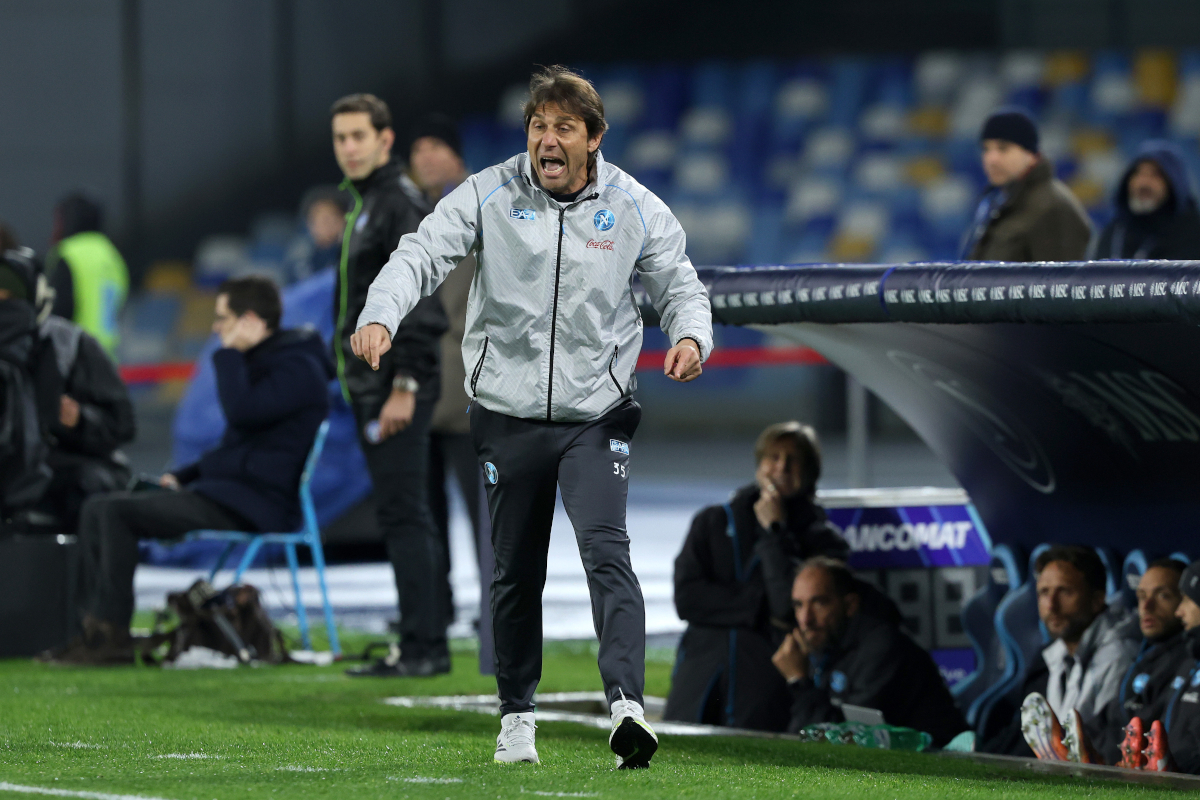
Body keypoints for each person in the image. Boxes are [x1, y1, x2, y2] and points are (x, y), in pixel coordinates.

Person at [351, 66, 712, 768]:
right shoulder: (488, 193)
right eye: (538, 126)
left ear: (594, 139)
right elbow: (421, 253)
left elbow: (679, 279)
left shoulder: (634, 206)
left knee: (608, 554)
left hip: (595, 416)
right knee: (515, 574)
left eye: (563, 128)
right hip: (506, 417)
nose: (547, 140)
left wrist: (692, 334)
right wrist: (380, 312)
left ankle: (628, 707)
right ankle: (517, 717)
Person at [47, 277, 331, 664]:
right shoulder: (274, 362)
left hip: (255, 504)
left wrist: (227, 355)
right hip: (230, 493)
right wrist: (184, 476)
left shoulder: (298, 369)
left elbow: (242, 412)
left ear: (249, 320)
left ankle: (110, 638)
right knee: (99, 506)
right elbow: (238, 444)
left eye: (223, 319)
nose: (217, 329)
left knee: (112, 512)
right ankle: (92, 631)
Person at [328, 93, 452, 679]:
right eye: (340, 138)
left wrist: (405, 383)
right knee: (406, 513)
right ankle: (420, 641)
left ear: (384, 140)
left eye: (359, 136)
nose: (348, 147)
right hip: (374, 386)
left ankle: (425, 647)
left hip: (396, 385)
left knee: (406, 516)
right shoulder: (369, 204)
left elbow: (424, 305)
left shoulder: (396, 205)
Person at [665, 422, 852, 731]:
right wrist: (756, 606)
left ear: (810, 472)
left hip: (767, 691)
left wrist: (773, 533)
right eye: (773, 457)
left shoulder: (825, 542)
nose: (782, 466)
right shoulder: (712, 521)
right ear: (759, 465)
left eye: (794, 460)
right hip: (699, 682)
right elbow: (688, 601)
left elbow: (784, 607)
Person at [404, 113, 486, 627]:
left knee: (487, 513)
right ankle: (434, 607)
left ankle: (500, 613)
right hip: (418, 383)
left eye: (436, 146)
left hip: (469, 385)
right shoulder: (409, 215)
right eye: (418, 150)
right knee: (424, 509)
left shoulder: (484, 206)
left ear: (456, 155)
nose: (425, 157)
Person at [770, 556, 966, 747]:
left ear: (850, 605)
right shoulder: (826, 645)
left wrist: (799, 681)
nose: (805, 619)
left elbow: (849, 740)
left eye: (819, 603)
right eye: (798, 605)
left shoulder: (883, 648)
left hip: (939, 766)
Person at [983, 545, 1138, 757]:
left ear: (1097, 599)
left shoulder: (1120, 655)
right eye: (1044, 592)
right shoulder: (1049, 654)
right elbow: (1023, 734)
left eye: (1065, 591)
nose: (1051, 605)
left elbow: (1102, 741)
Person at [1083, 559, 1191, 765]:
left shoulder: (1187, 662)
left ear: (1185, 601)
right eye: (1141, 596)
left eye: (1163, 596)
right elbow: (1109, 719)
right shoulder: (1144, 656)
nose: (1147, 606)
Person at [961, 108, 1092, 262]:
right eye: (986, 149)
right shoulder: (997, 200)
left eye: (1003, 148)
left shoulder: (1052, 206)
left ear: (1031, 155)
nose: (991, 159)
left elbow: (1059, 282)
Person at [45, 193, 129, 359]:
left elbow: (60, 310)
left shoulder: (69, 252)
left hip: (76, 357)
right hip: (108, 357)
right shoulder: (112, 255)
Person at [1091, 141, 1200, 260]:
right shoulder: (1116, 233)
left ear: (1174, 184)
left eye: (1155, 175)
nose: (1144, 183)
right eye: (1138, 173)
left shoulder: (1193, 234)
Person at [283, 187, 348, 284]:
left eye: (331, 218)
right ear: (309, 225)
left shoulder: (353, 255)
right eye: (320, 220)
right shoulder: (300, 263)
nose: (327, 225)